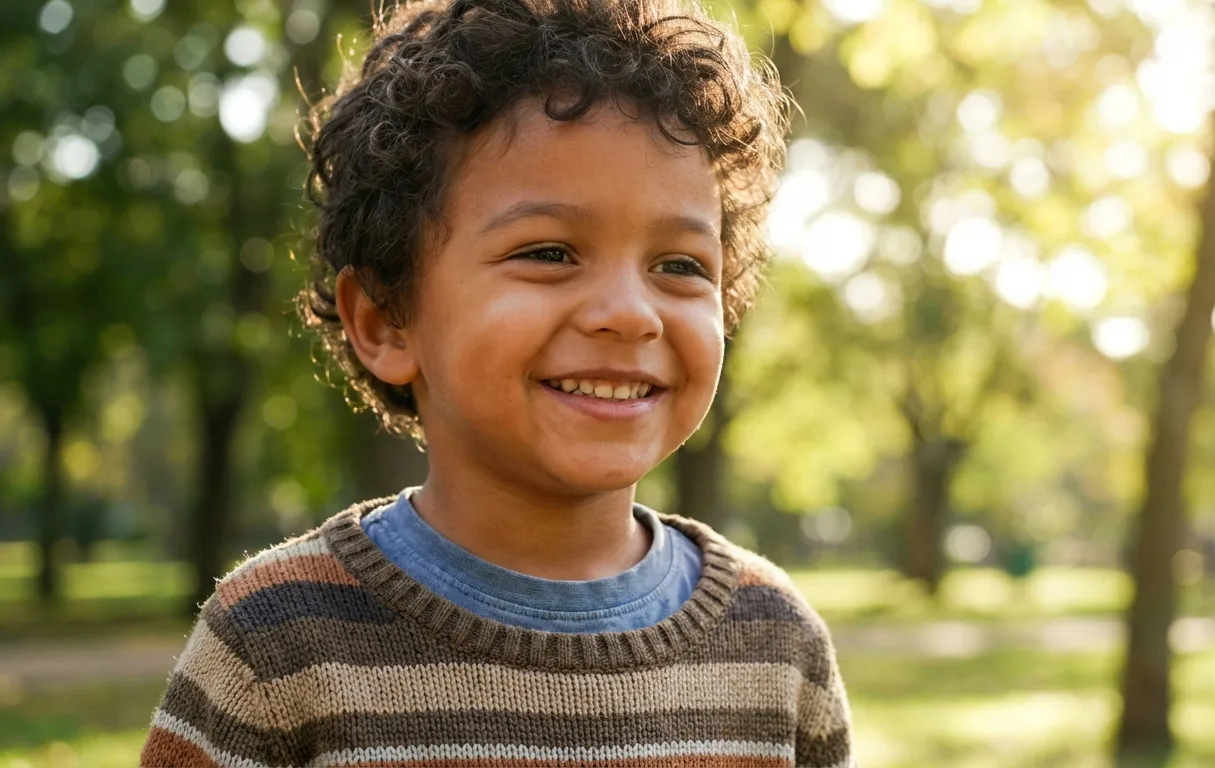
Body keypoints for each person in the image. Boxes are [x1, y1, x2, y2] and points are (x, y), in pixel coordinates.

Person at [140, 0, 853, 765]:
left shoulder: (776, 644)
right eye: (548, 252)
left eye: (679, 266)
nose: (629, 313)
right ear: (385, 321)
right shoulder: (275, 644)